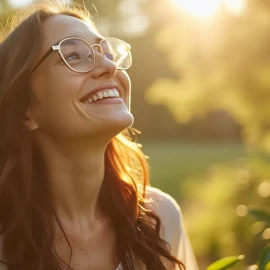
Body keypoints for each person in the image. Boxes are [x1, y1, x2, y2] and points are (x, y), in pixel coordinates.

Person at [0, 2, 198, 270]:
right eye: (74, 56)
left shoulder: (159, 220)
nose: (109, 66)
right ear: (26, 110)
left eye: (107, 53)